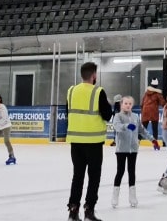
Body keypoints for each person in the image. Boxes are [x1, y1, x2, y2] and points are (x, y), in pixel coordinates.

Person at [66, 61, 114, 221]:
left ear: (82, 75)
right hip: (93, 142)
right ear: (94, 75)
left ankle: (73, 212)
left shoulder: (71, 91)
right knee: (94, 177)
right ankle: (89, 210)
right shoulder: (98, 91)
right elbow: (107, 115)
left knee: (77, 176)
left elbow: (69, 112)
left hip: (76, 142)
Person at [111, 95, 154, 208]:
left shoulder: (135, 117)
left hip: (133, 149)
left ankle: (132, 196)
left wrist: (153, 140)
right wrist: (126, 126)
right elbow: (116, 127)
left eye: (130, 104)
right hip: (121, 149)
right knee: (120, 171)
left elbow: (142, 130)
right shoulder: (118, 116)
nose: (128, 105)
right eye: (126, 103)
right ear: (121, 104)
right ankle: (115, 196)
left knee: (131, 172)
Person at [140, 78, 165, 147]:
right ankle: (155, 143)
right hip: (153, 112)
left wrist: (143, 110)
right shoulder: (157, 94)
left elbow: (142, 103)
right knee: (155, 129)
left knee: (142, 128)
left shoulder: (146, 93)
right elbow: (163, 103)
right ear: (157, 85)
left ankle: (137, 141)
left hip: (145, 111)